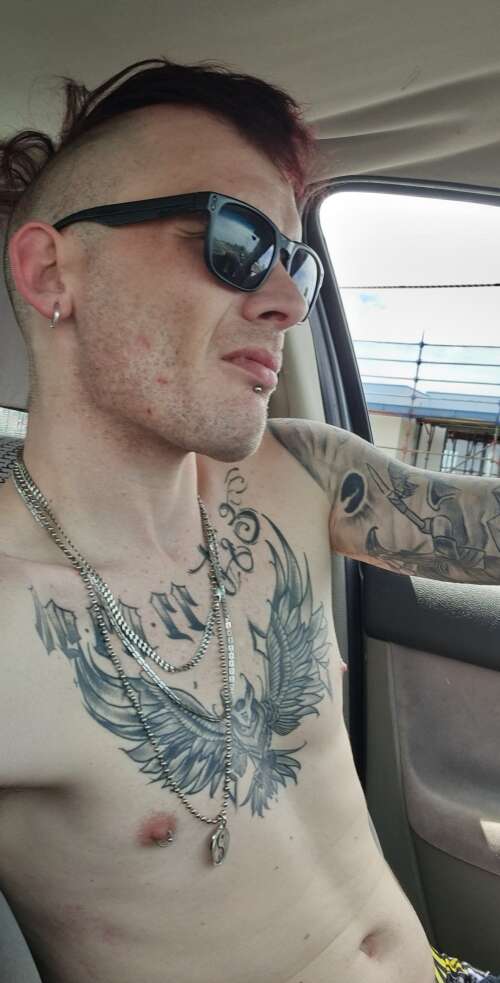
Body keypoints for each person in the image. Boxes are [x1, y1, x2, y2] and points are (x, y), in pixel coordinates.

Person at [0, 56, 499, 983]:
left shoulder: (303, 474)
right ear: (50, 270)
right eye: (234, 240)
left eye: (296, 261)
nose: (290, 302)